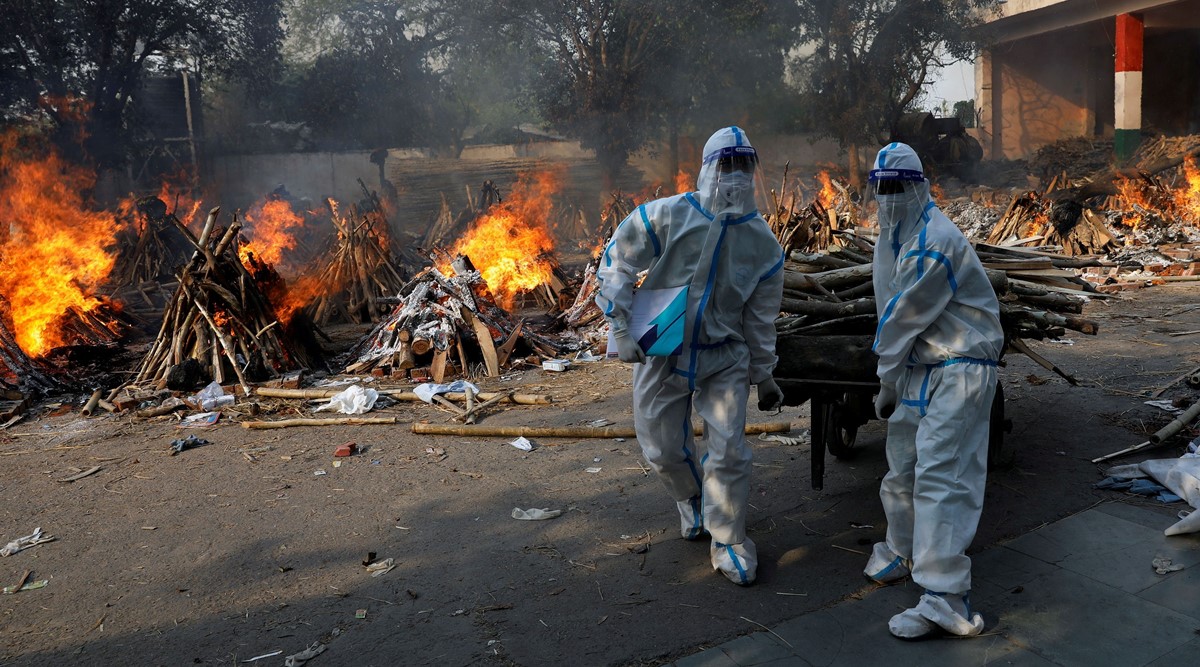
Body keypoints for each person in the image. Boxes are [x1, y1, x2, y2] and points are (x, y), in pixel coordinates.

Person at [596, 126, 785, 586]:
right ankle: (692, 498)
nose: (735, 178)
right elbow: (617, 259)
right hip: (664, 347)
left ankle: (729, 539)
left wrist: (765, 373)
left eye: (743, 168)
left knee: (729, 450)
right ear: (706, 169)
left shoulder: (762, 243)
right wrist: (620, 327)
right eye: (726, 166)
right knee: (660, 447)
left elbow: (761, 318)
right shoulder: (666, 216)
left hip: (725, 355)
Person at [863, 142, 1004, 639]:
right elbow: (890, 306)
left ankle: (948, 598)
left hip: (961, 365)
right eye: (881, 188)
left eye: (896, 187)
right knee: (903, 463)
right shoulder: (894, 234)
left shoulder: (934, 240)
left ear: (919, 186)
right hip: (923, 368)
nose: (888, 197)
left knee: (943, 475)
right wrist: (897, 378)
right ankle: (903, 549)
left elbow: (902, 316)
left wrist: (884, 375)